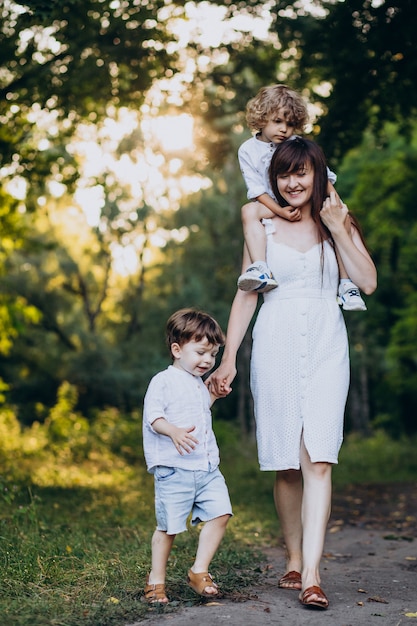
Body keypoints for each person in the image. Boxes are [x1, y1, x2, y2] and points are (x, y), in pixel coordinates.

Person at [208, 137, 377, 609]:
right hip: (276, 339)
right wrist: (229, 357)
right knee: (286, 462)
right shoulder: (263, 225)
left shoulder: (337, 221)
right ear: (274, 179)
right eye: (284, 174)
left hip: (326, 341)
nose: (293, 182)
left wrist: (338, 228)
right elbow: (247, 293)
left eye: (301, 172)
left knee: (318, 457)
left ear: (318, 173)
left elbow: (367, 282)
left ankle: (313, 575)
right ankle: (294, 557)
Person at [237, 84, 367, 311]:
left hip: (305, 200)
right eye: (277, 122)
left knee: (337, 221)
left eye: (289, 124)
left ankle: (346, 285)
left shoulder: (293, 144)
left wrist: (337, 204)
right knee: (248, 211)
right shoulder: (248, 150)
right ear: (262, 118)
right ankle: (260, 268)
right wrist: (280, 211)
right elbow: (256, 190)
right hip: (272, 204)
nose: (284, 130)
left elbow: (323, 177)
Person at [142, 308, 232, 604]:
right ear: (177, 350)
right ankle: (155, 582)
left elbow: (199, 409)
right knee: (168, 528)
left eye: (213, 355)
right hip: (174, 468)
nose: (208, 361)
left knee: (221, 513)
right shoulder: (163, 381)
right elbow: (153, 417)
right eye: (201, 352)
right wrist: (173, 432)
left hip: (206, 468)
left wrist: (214, 396)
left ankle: (199, 571)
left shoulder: (196, 383)